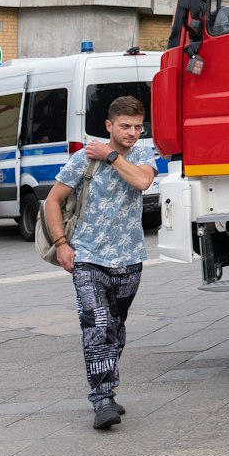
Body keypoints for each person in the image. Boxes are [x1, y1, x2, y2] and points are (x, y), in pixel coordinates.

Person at [44, 95, 157, 430]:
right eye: (125, 126)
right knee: (97, 326)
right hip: (88, 258)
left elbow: (142, 181)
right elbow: (52, 201)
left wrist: (109, 156)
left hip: (130, 259)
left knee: (115, 329)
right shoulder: (83, 159)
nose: (133, 132)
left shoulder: (141, 155)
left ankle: (106, 384)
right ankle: (102, 398)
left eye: (138, 126)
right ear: (109, 125)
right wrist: (61, 244)